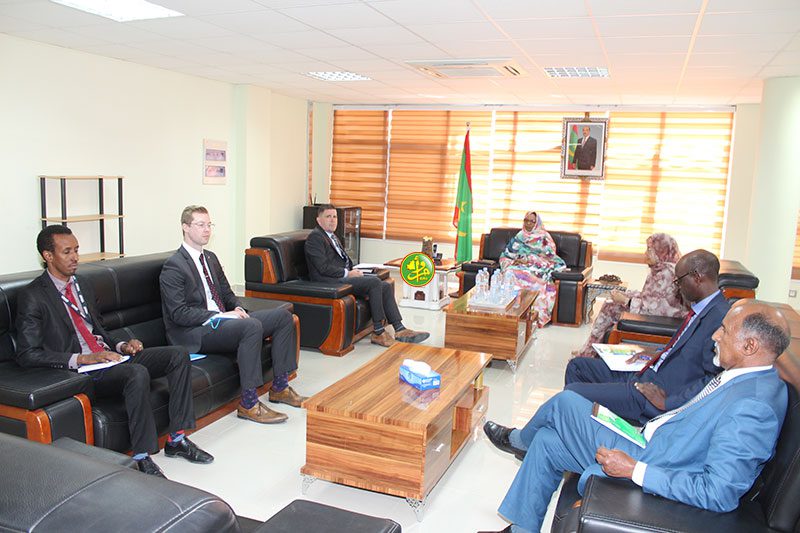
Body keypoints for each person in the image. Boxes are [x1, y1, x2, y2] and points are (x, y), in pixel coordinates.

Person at [482, 300, 790, 533]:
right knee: (548, 441)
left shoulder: (754, 407)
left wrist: (635, 470)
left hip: (652, 459)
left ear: (750, 345)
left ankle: (517, 440)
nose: (715, 335)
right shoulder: (748, 377)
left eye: (724, 330)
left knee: (565, 402)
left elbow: (719, 492)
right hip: (649, 440)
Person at [15, 225, 213, 478]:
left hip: (109, 357)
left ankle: (176, 440)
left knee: (177, 355)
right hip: (83, 370)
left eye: (76, 250)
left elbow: (100, 330)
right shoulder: (33, 296)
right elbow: (28, 354)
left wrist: (122, 345)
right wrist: (84, 358)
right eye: (67, 252)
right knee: (136, 373)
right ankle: (142, 456)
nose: (75, 257)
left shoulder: (82, 285)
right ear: (48, 256)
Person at [160, 205, 307, 425]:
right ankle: (249, 404)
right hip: (196, 331)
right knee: (251, 326)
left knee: (283, 317)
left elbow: (227, 294)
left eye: (209, 225)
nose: (207, 230)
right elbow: (178, 313)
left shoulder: (210, 258)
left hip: (222, 323)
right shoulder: (174, 266)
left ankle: (280, 388)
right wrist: (220, 316)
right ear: (185, 227)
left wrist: (237, 308)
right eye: (200, 225)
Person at [564, 249, 728, 423]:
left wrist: (667, 403)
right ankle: (579, 426)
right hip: (645, 373)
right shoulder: (701, 308)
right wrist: (653, 353)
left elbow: (713, 380)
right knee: (577, 366)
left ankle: (579, 424)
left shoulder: (720, 318)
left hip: (654, 395)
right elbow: (682, 348)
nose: (677, 287)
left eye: (679, 280)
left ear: (697, 277)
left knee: (572, 394)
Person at [304, 204, 429, 348]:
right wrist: (348, 273)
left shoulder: (332, 237)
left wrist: (356, 270)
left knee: (384, 285)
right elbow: (322, 267)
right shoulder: (315, 238)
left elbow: (342, 261)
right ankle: (378, 331)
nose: (332, 220)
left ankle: (400, 329)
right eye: (328, 217)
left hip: (341, 276)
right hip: (328, 281)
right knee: (374, 283)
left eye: (334, 217)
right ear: (319, 220)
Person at [573, 233, 687, 357]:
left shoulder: (666, 274)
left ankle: (589, 352)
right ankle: (593, 350)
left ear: (661, 252)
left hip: (662, 319)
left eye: (649, 250)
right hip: (657, 314)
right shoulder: (661, 269)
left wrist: (626, 300)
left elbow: (655, 309)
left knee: (610, 307)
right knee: (611, 304)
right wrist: (627, 294)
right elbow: (649, 297)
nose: (645, 254)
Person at [498, 211, 566, 327]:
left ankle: (533, 315)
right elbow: (508, 254)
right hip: (520, 265)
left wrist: (529, 259)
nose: (528, 223)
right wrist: (517, 260)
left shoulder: (544, 237)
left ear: (537, 223)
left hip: (538, 266)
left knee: (533, 276)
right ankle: (511, 313)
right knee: (510, 272)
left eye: (532, 221)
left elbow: (550, 256)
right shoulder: (520, 236)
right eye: (526, 220)